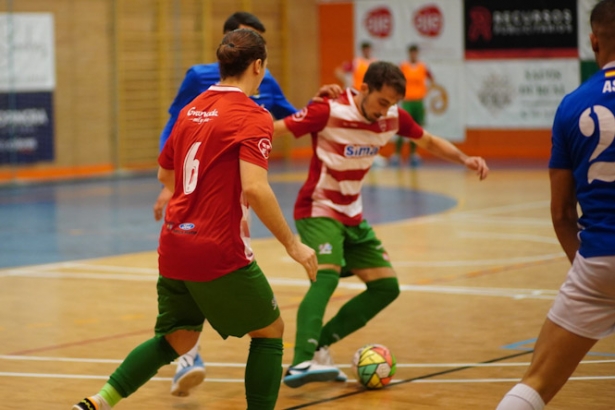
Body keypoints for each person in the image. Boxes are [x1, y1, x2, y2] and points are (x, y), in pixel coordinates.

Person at [72, 29, 317, 410]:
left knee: (179, 338)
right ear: (258, 66)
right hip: (217, 249)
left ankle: (101, 401)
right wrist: (293, 243)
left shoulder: (192, 109)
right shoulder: (253, 116)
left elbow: (164, 176)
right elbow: (255, 188)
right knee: (270, 332)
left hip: (174, 243)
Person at [151, 11, 340, 397]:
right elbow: (176, 126)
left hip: (229, 207)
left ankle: (168, 359)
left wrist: (317, 105)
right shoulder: (199, 81)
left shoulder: (264, 84)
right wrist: (171, 184)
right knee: (226, 283)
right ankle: (189, 354)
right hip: (209, 201)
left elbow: (288, 118)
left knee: (204, 270)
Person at [272, 61, 489, 388]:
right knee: (326, 277)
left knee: (387, 287)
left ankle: (320, 347)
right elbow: (276, 129)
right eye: (382, 102)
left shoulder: (393, 118)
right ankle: (302, 362)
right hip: (318, 207)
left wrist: (464, 159)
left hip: (353, 215)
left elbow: (428, 141)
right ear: (364, 89)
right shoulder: (328, 111)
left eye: (393, 104)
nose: (387, 110)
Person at [495, 1, 615, 409]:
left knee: (536, 384)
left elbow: (562, 213)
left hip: (598, 260)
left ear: (594, 41)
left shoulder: (571, 105)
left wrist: (591, 274)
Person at [392, 44, 434, 167]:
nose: (413, 55)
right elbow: (395, 79)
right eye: (411, 53)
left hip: (419, 101)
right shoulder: (403, 66)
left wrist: (426, 91)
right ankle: (397, 154)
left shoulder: (422, 66)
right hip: (407, 101)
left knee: (417, 129)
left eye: (415, 53)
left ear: (417, 53)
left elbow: (431, 79)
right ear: (409, 53)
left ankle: (413, 154)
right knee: (402, 126)